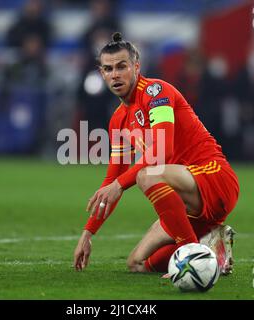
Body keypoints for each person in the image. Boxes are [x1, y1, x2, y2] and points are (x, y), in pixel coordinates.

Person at [73, 33, 239, 275]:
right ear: (102, 74)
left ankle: (191, 250)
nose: (115, 74)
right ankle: (212, 248)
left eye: (122, 66)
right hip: (186, 202)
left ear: (136, 66)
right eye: (108, 69)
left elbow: (163, 150)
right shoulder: (119, 120)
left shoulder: (155, 92)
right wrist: (88, 234)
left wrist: (120, 184)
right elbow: (111, 182)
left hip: (214, 178)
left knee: (147, 175)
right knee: (137, 263)